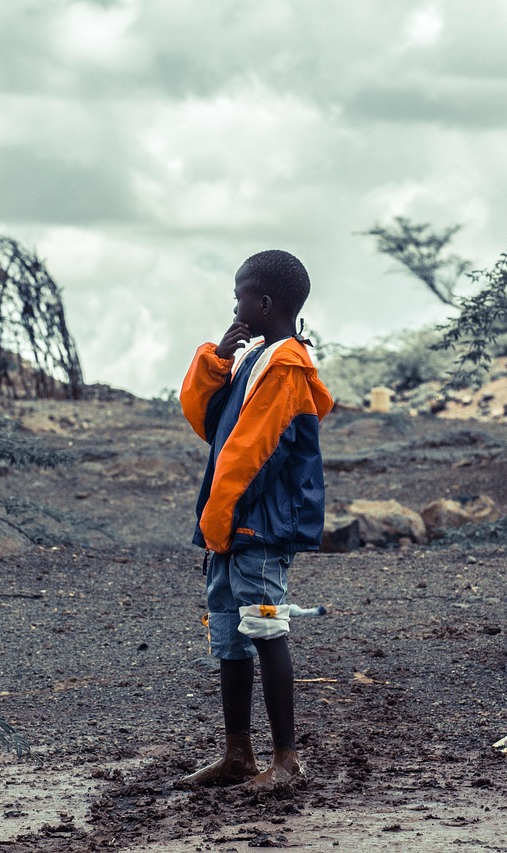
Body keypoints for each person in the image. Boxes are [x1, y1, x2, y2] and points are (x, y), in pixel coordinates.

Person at [178, 249, 334, 791]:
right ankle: (238, 754)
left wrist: (221, 521)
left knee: (267, 628)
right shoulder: (251, 359)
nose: (235, 302)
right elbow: (208, 423)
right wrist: (215, 361)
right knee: (229, 633)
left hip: (257, 524)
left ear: (264, 302)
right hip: (232, 521)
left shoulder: (286, 365)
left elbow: (256, 453)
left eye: (241, 293)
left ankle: (287, 760)